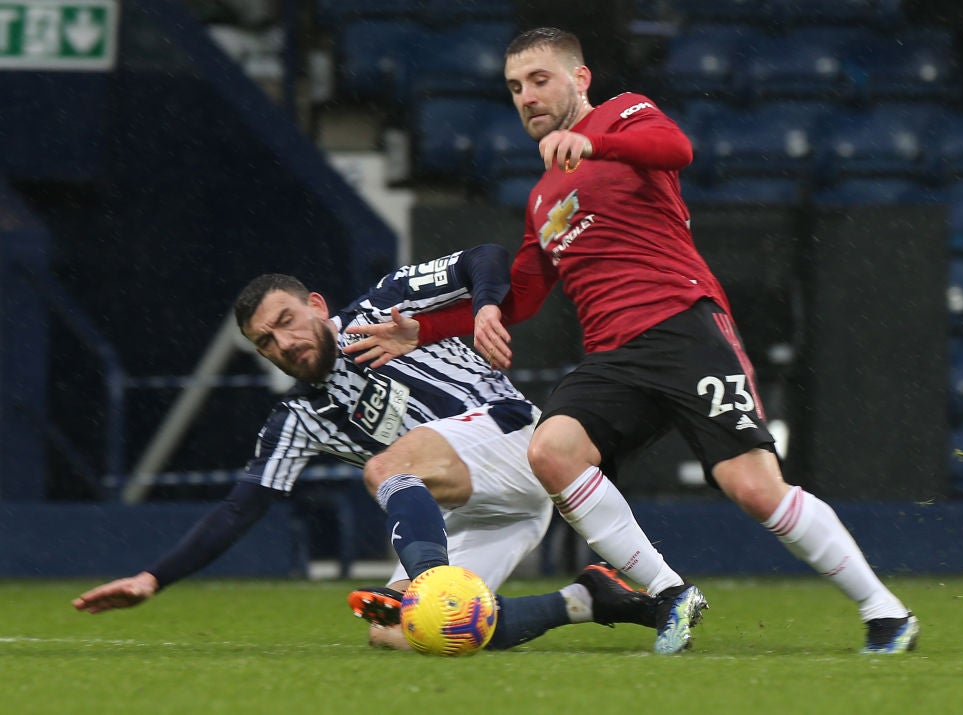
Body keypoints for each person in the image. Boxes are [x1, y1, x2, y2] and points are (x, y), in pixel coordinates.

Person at [344, 28, 920, 655]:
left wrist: (590, 141)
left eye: (540, 80)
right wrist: (422, 329)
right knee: (552, 453)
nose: (527, 97)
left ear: (580, 79)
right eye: (515, 87)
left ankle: (885, 612)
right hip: (612, 358)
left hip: (682, 326)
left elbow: (677, 147)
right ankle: (671, 593)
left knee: (754, 488)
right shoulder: (542, 199)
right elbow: (525, 298)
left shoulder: (623, 116)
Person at [72, 244, 657, 651]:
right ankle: (589, 599)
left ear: (318, 306)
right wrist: (153, 578)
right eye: (266, 341)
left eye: (288, 319)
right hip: (489, 505)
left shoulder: (383, 307)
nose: (285, 341)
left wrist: (483, 306)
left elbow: (485, 257)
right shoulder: (297, 418)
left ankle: (431, 582)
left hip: (516, 440)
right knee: (404, 633)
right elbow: (238, 509)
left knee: (388, 467)